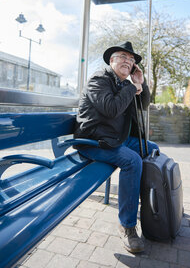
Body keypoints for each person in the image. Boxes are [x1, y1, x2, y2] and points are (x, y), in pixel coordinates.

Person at [74, 41, 159, 253]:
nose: (128, 62)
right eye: (123, 57)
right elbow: (111, 109)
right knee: (132, 161)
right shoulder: (98, 80)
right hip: (92, 141)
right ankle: (127, 226)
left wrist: (140, 82)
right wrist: (131, 86)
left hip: (114, 139)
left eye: (131, 60)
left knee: (153, 148)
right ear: (111, 60)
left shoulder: (125, 85)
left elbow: (144, 104)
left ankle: (153, 204)